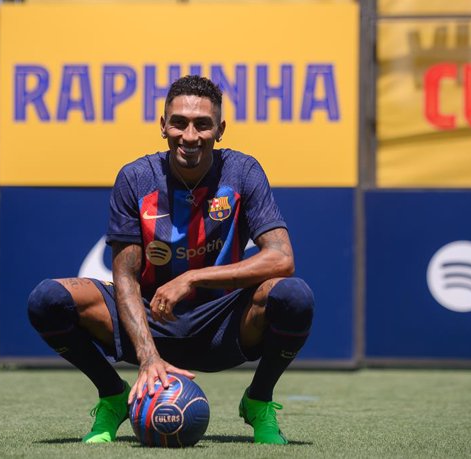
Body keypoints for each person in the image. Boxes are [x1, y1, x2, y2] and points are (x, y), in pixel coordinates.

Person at [27, 75, 314, 445]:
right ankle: (113, 395)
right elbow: (125, 278)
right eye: (178, 122)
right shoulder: (135, 178)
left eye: (202, 124)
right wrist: (148, 357)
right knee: (47, 300)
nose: (189, 136)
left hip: (223, 324)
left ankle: (258, 400)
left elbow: (281, 257)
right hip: (150, 319)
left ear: (220, 130)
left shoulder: (243, 172)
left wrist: (193, 279)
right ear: (163, 126)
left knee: (295, 297)